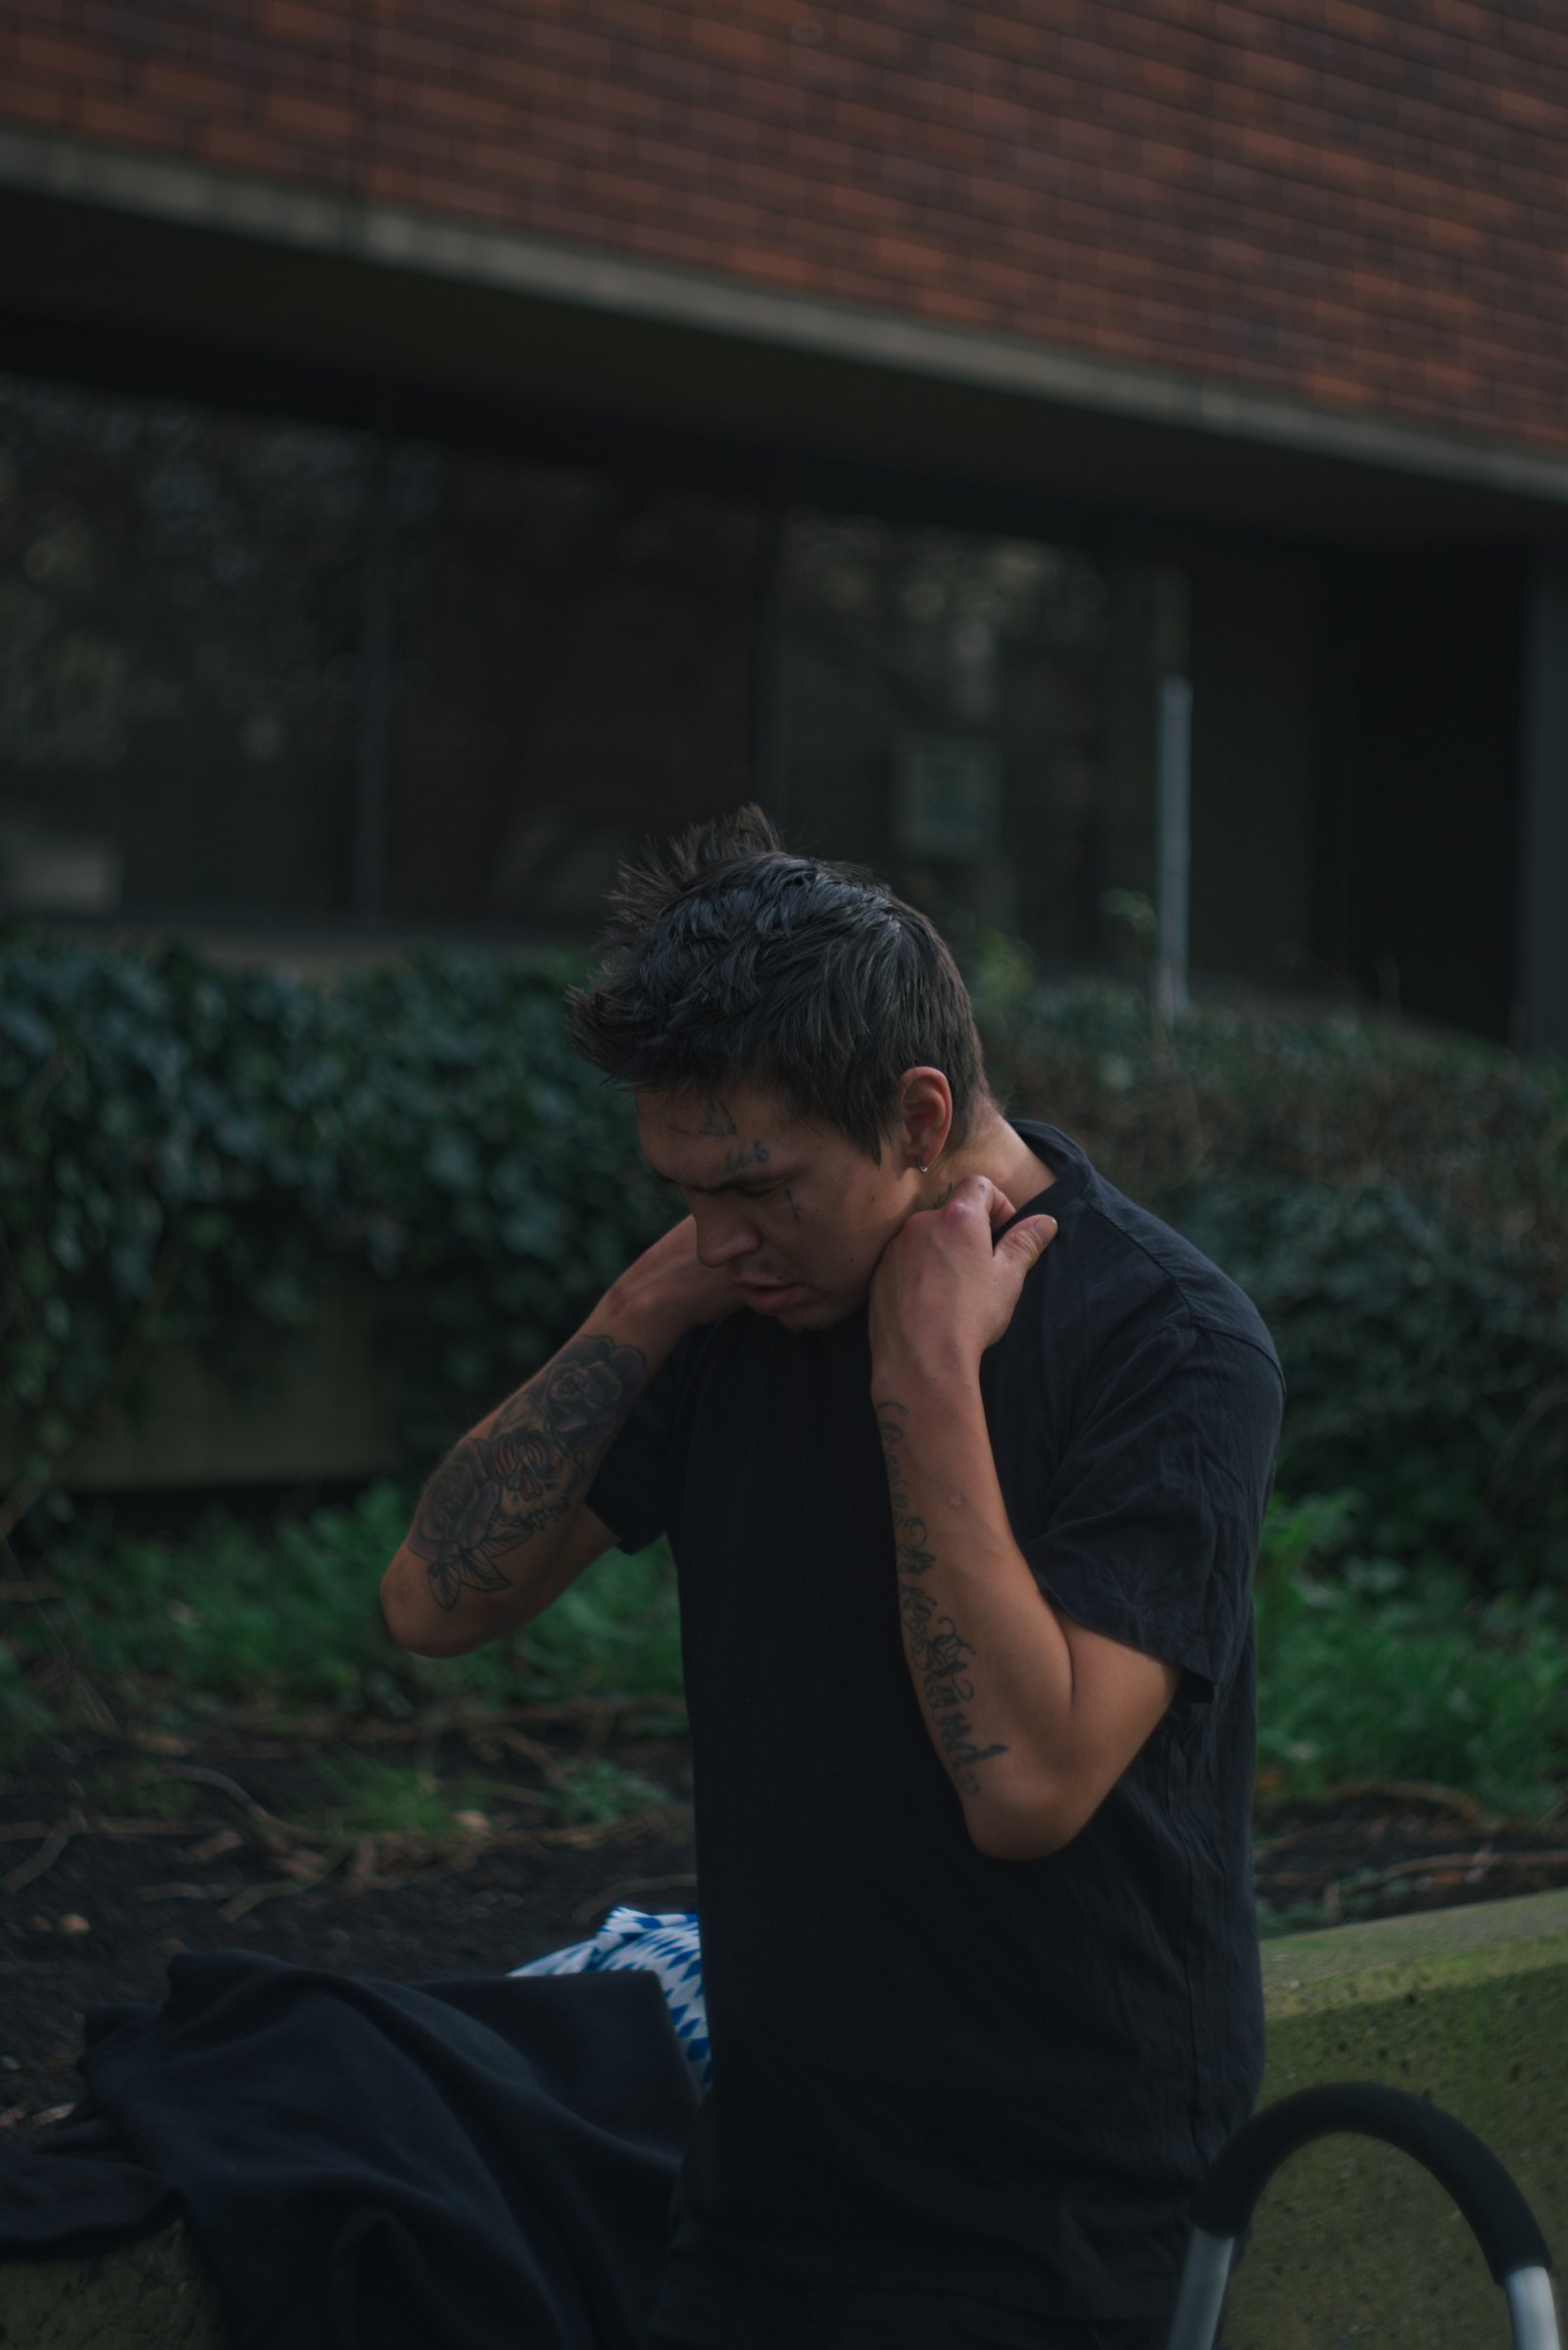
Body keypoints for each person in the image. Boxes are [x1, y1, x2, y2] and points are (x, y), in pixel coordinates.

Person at [380, 807, 1285, 2350]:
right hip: (773, 2183)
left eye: (759, 1185)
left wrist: (924, 1377)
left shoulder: (1170, 1342)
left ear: (919, 1117)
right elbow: (435, 1602)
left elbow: (1027, 1783)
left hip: (1062, 2210)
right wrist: (645, 1296)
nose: (719, 1232)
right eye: (683, 1189)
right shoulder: (731, 1299)